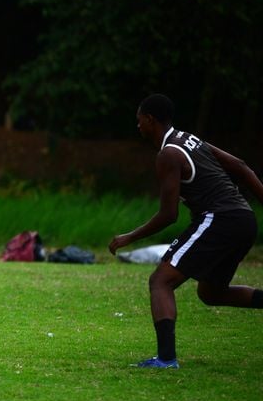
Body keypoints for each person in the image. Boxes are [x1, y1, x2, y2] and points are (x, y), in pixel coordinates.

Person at [109, 93, 263, 368]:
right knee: (212, 293)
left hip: (219, 218)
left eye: (139, 120)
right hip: (244, 218)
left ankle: (166, 359)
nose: (138, 126)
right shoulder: (190, 139)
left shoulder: (168, 154)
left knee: (161, 281)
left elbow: (169, 215)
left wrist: (129, 237)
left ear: (150, 120)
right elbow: (240, 166)